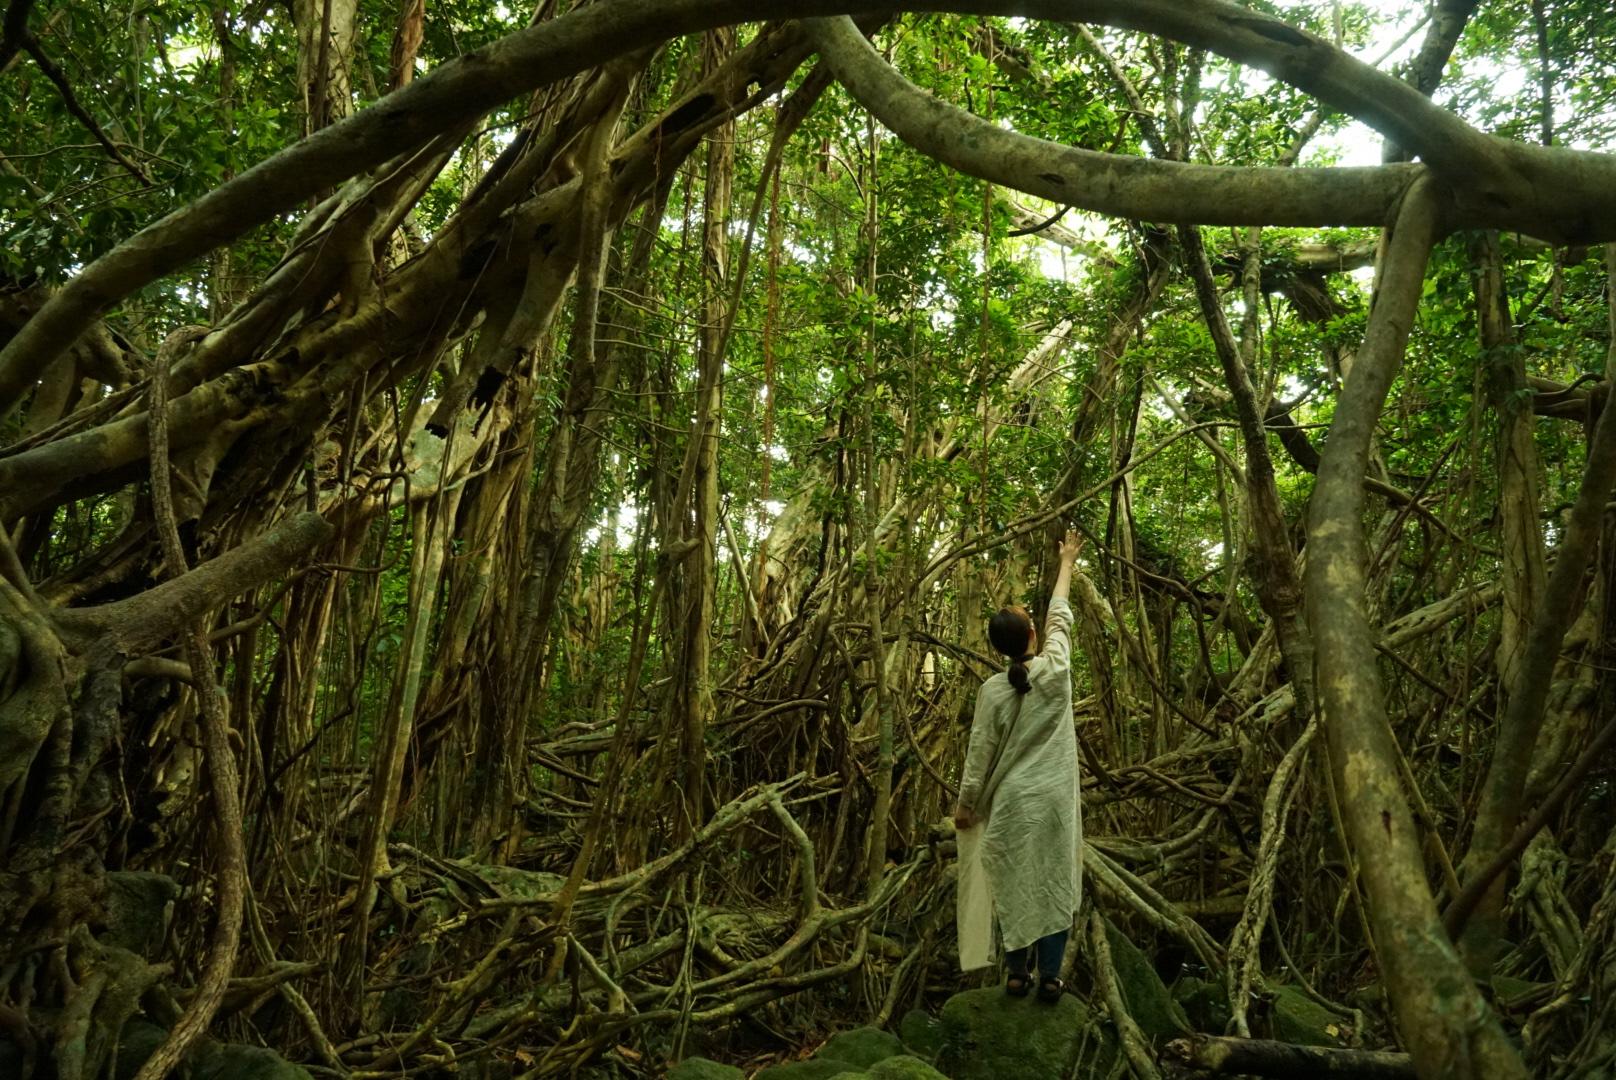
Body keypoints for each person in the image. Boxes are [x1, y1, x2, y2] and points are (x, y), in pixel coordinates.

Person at [953, 529, 1083, 1002]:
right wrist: (1066, 561)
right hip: (1052, 801)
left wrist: (966, 806)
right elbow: (1061, 617)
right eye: (1034, 622)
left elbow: (979, 754)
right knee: (1052, 879)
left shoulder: (992, 690)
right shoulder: (1058, 670)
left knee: (1014, 879)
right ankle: (1050, 976)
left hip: (1010, 803)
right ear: (1034, 635)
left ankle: (1015, 973)